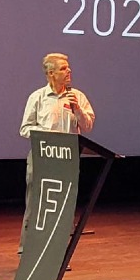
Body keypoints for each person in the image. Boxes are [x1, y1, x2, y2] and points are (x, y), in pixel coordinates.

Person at [19, 53, 95, 252]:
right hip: (42, 158)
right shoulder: (37, 97)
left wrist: (77, 109)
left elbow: (87, 126)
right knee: (36, 204)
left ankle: (58, 253)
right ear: (51, 73)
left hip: (67, 159)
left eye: (68, 67)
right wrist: (47, 134)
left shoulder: (77, 96)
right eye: (63, 68)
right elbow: (25, 129)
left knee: (63, 206)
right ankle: (27, 249)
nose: (69, 71)